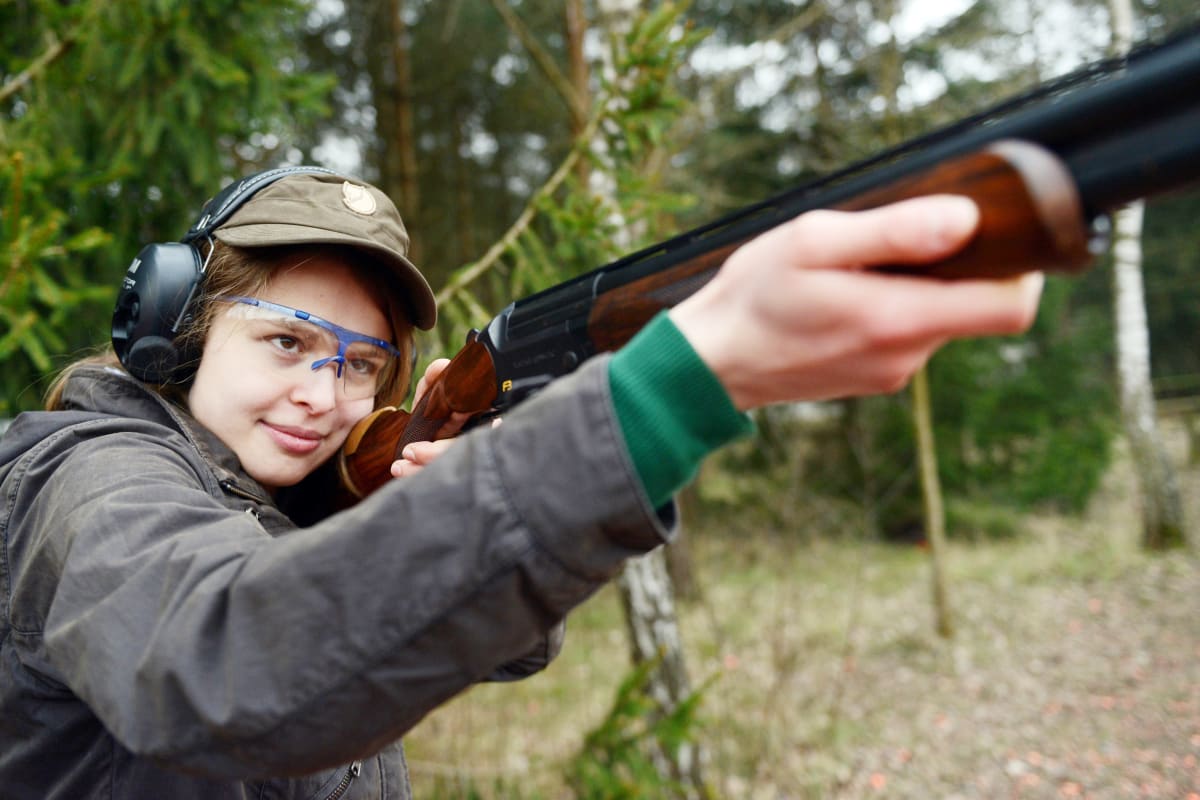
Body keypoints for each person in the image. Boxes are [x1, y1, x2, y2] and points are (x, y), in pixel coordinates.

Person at [0, 167, 1042, 799]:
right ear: (178, 328)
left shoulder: (283, 502)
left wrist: (443, 493)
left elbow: (476, 642)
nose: (322, 393)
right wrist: (665, 394)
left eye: (360, 362)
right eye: (285, 340)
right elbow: (227, 661)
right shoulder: (87, 482)